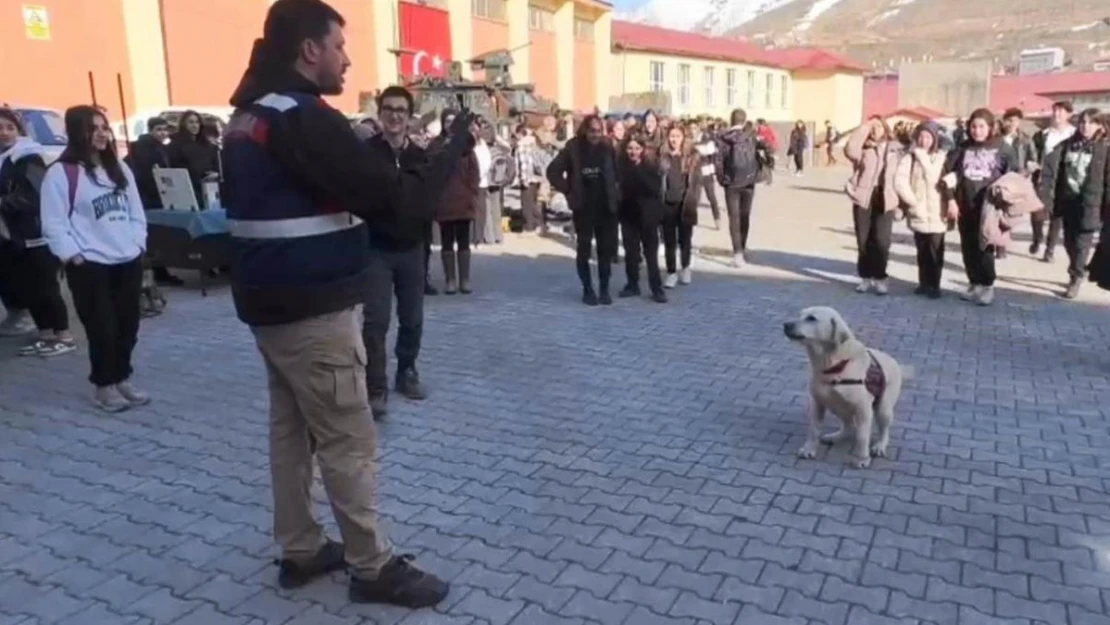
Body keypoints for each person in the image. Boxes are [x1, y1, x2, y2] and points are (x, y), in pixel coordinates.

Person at [220, 0, 472, 607]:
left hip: (270, 309)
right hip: (312, 312)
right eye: (339, 45)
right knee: (347, 439)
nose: (347, 57)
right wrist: (450, 149)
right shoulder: (303, 118)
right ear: (309, 49)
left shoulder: (250, 114)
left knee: (291, 433)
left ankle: (301, 547)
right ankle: (371, 565)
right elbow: (400, 206)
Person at [40, 105, 148, 410]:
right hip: (90, 265)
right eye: (93, 128)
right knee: (102, 328)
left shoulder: (120, 169)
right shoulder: (62, 173)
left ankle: (122, 376)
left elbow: (136, 212)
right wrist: (73, 256)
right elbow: (54, 222)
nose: (101, 134)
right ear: (77, 132)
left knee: (128, 325)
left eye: (104, 127)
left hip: (126, 260)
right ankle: (104, 385)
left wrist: (138, 243)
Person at [360, 86, 432, 420]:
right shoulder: (365, 153)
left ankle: (407, 371)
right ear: (380, 113)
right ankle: (376, 386)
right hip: (376, 250)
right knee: (376, 322)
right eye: (388, 108)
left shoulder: (420, 156)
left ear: (409, 115)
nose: (394, 115)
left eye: (401, 109)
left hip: (412, 249)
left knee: (413, 318)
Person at [0, 107, 75, 357]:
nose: (4, 133)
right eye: (0, 128)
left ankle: (63, 335)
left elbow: (34, 196)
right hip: (13, 236)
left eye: (10, 127)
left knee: (45, 287)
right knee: (28, 287)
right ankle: (45, 334)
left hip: (34, 232)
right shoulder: (4, 158)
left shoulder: (28, 156)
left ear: (19, 130)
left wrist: (3, 203)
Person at [942, 108, 1018, 306]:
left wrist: (1005, 199)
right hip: (965, 205)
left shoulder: (1002, 147)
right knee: (968, 246)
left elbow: (1013, 175)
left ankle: (987, 285)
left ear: (991, 127)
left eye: (981, 126)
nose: (977, 131)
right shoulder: (962, 148)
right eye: (973, 126)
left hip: (989, 207)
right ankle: (974, 283)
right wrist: (951, 200)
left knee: (984, 246)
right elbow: (948, 175)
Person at [547, 114, 620, 306]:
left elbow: (617, 172)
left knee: (605, 251)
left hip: (605, 206)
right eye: (592, 131)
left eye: (599, 131)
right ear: (585, 130)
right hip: (583, 207)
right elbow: (552, 171)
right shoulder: (573, 147)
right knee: (584, 250)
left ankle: (604, 289)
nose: (596, 135)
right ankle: (588, 289)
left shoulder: (607, 146)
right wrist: (568, 190)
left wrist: (617, 193)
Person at [1035, 108, 1106, 300]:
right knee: (1069, 242)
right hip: (1067, 202)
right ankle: (1078, 267)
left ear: (1099, 125)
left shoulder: (1104, 149)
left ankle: (1076, 277)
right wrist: (1046, 196)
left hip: (1091, 203)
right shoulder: (1067, 145)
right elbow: (1051, 170)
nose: (1086, 126)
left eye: (1091, 122)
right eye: (1082, 122)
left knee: (1082, 243)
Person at [844, 116, 906, 295]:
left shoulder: (896, 149)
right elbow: (849, 150)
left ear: (886, 128)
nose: (874, 129)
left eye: (878, 126)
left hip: (886, 198)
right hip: (864, 197)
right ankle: (865, 277)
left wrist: (902, 205)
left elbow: (903, 176)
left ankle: (880, 277)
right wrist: (864, 127)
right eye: (872, 126)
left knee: (881, 241)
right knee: (863, 240)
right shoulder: (863, 148)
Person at [894, 122, 950, 299]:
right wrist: (912, 201)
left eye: (928, 137)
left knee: (936, 250)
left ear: (934, 139)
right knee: (922, 250)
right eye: (921, 136)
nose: (924, 140)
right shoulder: (909, 157)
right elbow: (900, 181)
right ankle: (924, 283)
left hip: (938, 212)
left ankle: (935, 284)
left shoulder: (943, 157)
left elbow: (944, 177)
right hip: (919, 210)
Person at [432, 109, 480, 295]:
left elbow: (474, 175)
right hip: (444, 202)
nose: (450, 125)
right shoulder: (437, 145)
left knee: (463, 241)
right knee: (446, 242)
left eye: (454, 121)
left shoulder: (467, 147)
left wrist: (471, 194)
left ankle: (465, 279)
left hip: (463, 202)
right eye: (447, 121)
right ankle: (450, 280)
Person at [617, 134, 666, 303]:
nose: (633, 152)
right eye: (630, 148)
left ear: (643, 150)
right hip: (628, 215)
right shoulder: (620, 167)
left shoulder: (651, 167)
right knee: (631, 253)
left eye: (637, 148)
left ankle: (657, 288)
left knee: (651, 255)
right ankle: (632, 285)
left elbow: (654, 189)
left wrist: (638, 171)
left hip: (648, 217)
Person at [713, 109, 764, 268]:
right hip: (749, 181)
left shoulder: (723, 139)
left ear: (731, 120)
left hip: (732, 183)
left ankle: (737, 254)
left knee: (733, 218)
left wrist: (722, 179)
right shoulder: (751, 136)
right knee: (745, 215)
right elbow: (768, 147)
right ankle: (742, 245)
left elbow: (718, 161)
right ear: (744, 121)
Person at [1029, 101, 1076, 261]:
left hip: (1063, 179)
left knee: (1057, 216)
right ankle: (1037, 238)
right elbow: (1032, 154)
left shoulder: (1074, 135)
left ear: (1069, 114)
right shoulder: (1043, 135)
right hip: (1042, 178)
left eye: (1061, 111)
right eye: (1055, 111)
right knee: (1036, 213)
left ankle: (1049, 250)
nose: (1057, 114)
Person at [659, 125, 699, 288]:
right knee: (669, 241)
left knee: (685, 239)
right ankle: (671, 272)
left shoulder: (691, 157)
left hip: (685, 203)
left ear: (683, 138)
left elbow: (696, 183)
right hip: (667, 203)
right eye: (671, 136)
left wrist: (693, 199)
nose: (674, 139)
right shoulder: (663, 157)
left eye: (677, 136)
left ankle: (685, 268)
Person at [167, 110, 220, 206]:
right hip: (188, 189)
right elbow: (176, 168)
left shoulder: (208, 145)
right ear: (184, 124)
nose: (195, 125)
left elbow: (216, 164)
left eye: (197, 122)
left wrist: (215, 174)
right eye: (191, 122)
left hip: (210, 188)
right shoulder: (175, 145)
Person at [513, 124, 546, 235]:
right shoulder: (534, 143)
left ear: (520, 134)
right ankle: (539, 224)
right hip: (536, 177)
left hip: (527, 177)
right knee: (534, 202)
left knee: (526, 204)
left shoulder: (521, 145)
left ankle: (528, 227)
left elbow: (523, 164)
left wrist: (523, 179)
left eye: (516, 134)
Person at [690, 122, 721, 230]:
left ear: (698, 129)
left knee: (712, 197)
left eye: (694, 127)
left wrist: (696, 148)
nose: (692, 130)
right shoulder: (689, 140)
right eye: (690, 128)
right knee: (694, 198)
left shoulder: (706, 138)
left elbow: (710, 150)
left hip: (706, 171)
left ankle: (717, 219)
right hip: (695, 173)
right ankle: (692, 220)